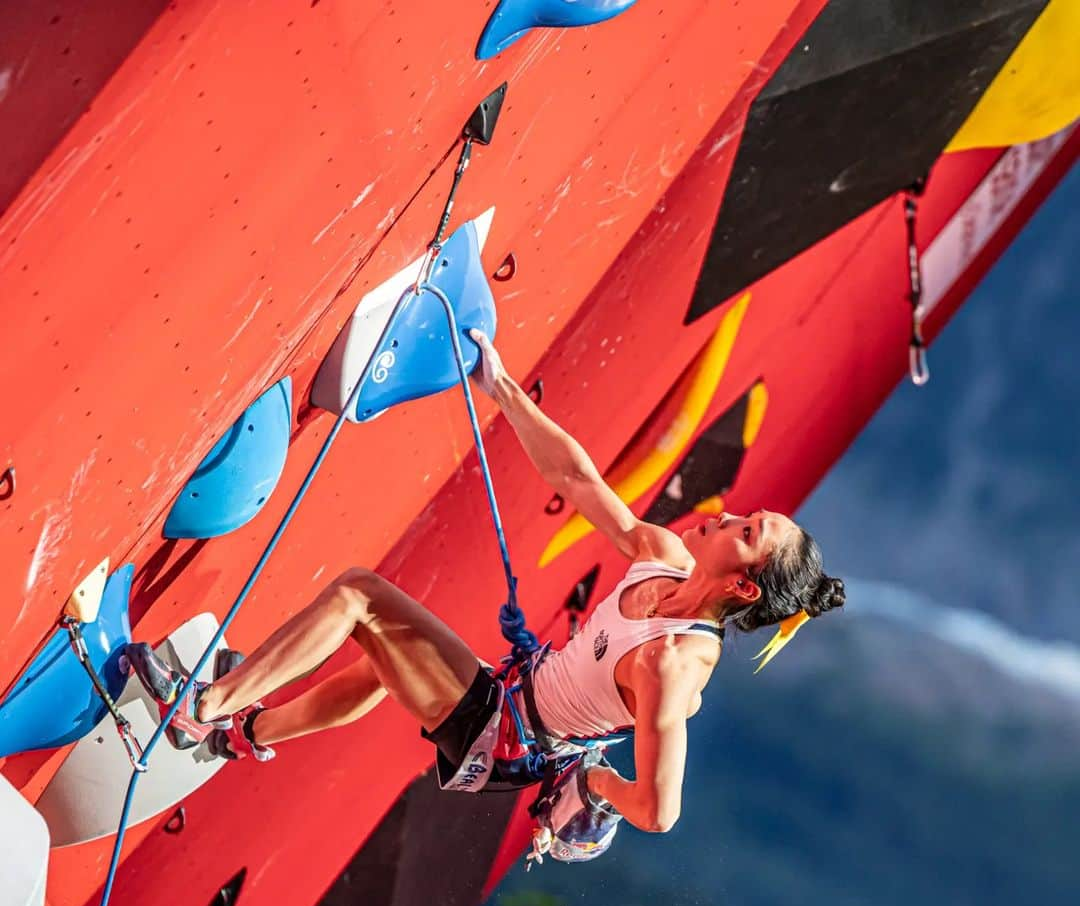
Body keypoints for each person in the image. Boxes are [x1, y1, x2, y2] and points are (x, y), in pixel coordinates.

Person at [125, 329, 844, 837]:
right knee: (384, 661)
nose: (729, 516)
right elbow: (577, 478)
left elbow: (660, 812)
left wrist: (593, 783)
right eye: (749, 515)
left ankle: (202, 708)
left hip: (504, 739)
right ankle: (244, 734)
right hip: (507, 704)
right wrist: (498, 387)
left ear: (745, 589)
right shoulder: (665, 557)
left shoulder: (673, 664)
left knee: (359, 595)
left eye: (747, 533)